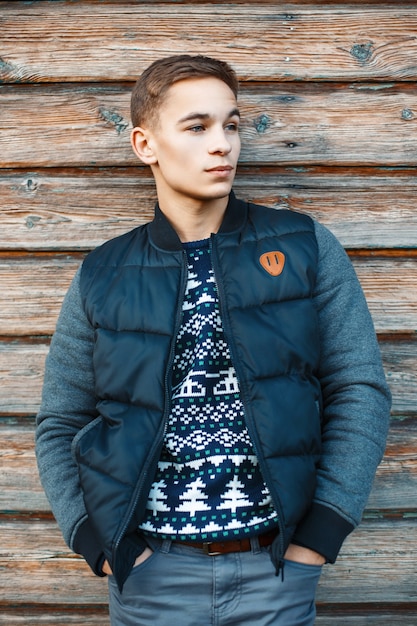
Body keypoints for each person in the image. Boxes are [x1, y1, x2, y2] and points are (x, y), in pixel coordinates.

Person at [36, 55, 391, 626]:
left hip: (276, 570)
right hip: (151, 579)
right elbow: (60, 421)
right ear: (144, 144)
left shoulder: (305, 246)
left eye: (231, 124)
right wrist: (101, 545)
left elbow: (359, 389)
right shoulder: (103, 274)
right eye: (197, 127)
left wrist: (319, 538)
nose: (221, 144)